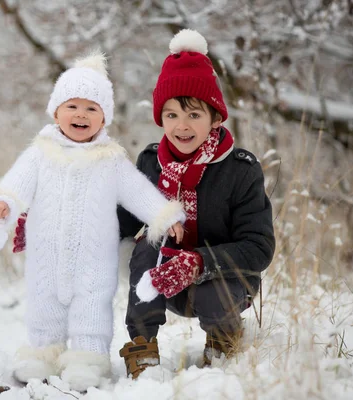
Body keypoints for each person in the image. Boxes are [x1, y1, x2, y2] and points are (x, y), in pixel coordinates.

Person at [0, 50, 185, 391]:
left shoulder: (111, 159)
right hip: (47, 254)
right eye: (72, 106)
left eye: (92, 108)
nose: (81, 114)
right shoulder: (40, 152)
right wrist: (3, 202)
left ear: (103, 118)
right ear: (56, 111)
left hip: (93, 258)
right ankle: (42, 353)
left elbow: (139, 192)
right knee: (44, 304)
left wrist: (165, 216)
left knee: (92, 307)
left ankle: (89, 359)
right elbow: (16, 184)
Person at [117, 29, 275, 379]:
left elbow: (259, 246)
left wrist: (200, 262)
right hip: (163, 280)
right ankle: (142, 348)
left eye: (193, 115)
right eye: (171, 115)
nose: (181, 126)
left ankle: (223, 341)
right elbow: (122, 223)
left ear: (215, 118)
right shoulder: (150, 162)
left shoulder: (240, 170)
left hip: (223, 281)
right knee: (147, 246)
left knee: (214, 295)